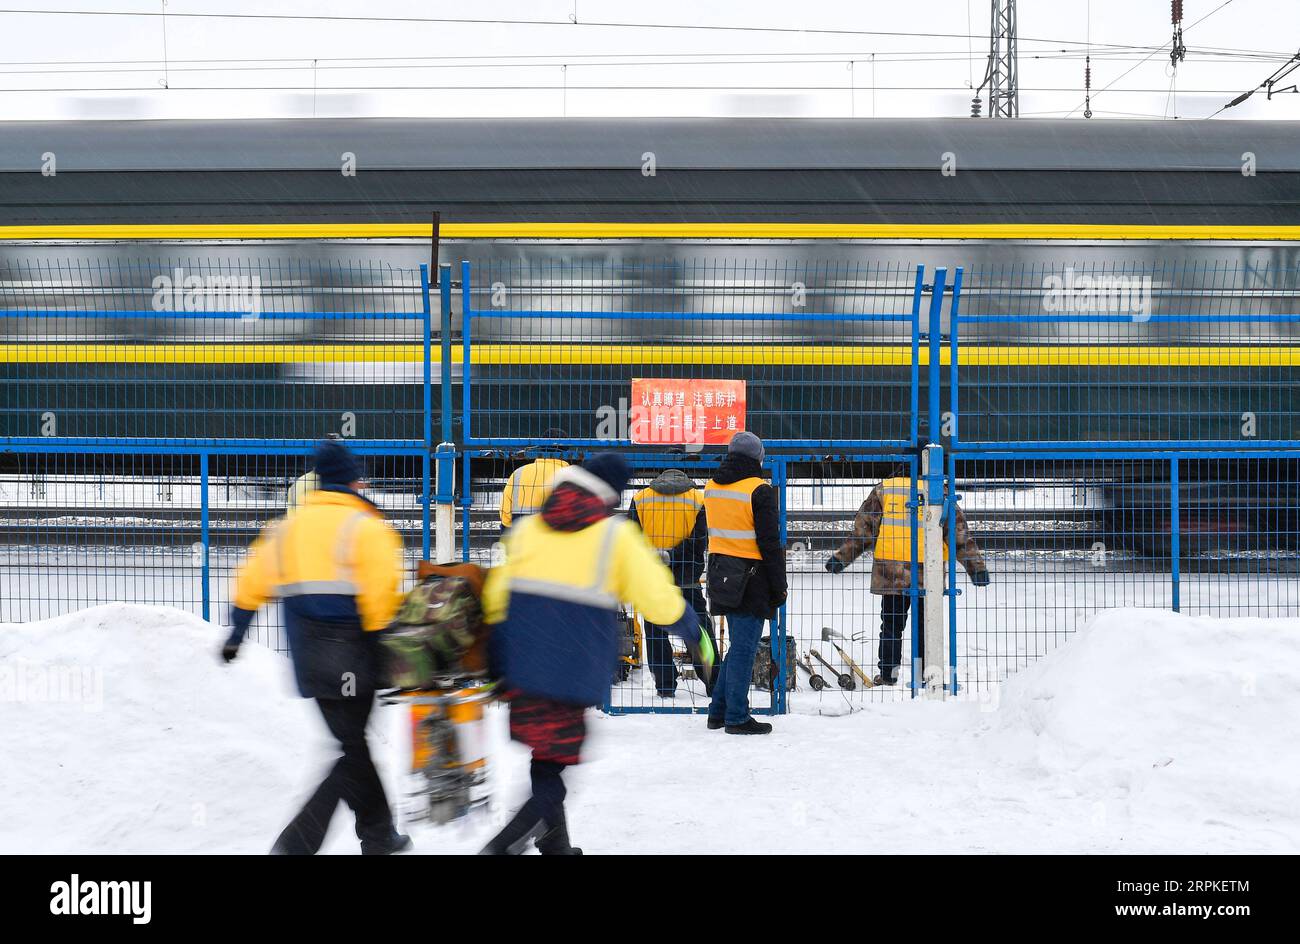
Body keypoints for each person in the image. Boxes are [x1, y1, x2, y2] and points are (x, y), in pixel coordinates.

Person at [479, 453, 713, 854]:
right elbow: (657, 599)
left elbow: (495, 599)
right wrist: (692, 630)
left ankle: (557, 848)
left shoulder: (529, 530)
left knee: (545, 760)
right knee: (552, 770)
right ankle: (499, 848)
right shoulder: (614, 537)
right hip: (568, 673)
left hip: (520, 668)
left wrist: (496, 660)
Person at [221, 438, 411, 856]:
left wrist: (237, 634)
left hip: (309, 661)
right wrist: (385, 650)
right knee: (351, 752)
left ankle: (380, 836)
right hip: (354, 660)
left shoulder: (288, 527)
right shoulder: (365, 527)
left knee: (352, 744)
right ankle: (295, 845)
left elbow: (252, 581)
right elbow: (381, 597)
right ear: (354, 481)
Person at [824, 471, 989, 686]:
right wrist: (976, 567)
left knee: (892, 626)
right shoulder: (939, 490)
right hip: (928, 573)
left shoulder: (886, 488)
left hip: (890, 573)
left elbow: (864, 529)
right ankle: (925, 677)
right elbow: (958, 533)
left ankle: (888, 676)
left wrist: (842, 558)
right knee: (926, 626)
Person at [703, 431, 786, 735]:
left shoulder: (711, 487)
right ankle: (737, 716)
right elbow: (769, 543)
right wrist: (779, 585)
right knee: (743, 650)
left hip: (722, 573)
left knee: (737, 647)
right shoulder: (759, 490)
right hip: (752, 579)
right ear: (758, 457)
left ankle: (718, 712)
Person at [627, 469, 717, 697]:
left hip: (653, 578)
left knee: (656, 633)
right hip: (687, 580)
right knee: (699, 631)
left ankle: (665, 686)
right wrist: (674, 555)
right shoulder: (698, 499)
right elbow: (699, 542)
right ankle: (713, 682)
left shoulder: (641, 498)